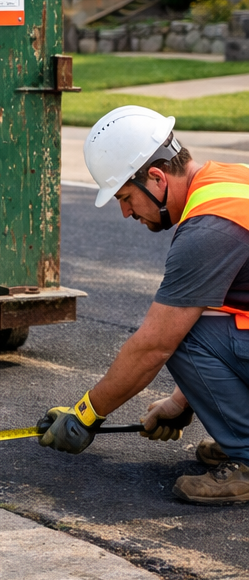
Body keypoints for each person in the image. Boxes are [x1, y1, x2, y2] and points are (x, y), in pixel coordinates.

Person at [37, 105, 249, 505]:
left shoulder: (208, 229)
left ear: (156, 177)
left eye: (126, 197)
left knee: (175, 335)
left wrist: (86, 414)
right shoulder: (229, 180)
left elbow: (156, 344)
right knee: (195, 320)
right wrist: (180, 403)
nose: (125, 211)